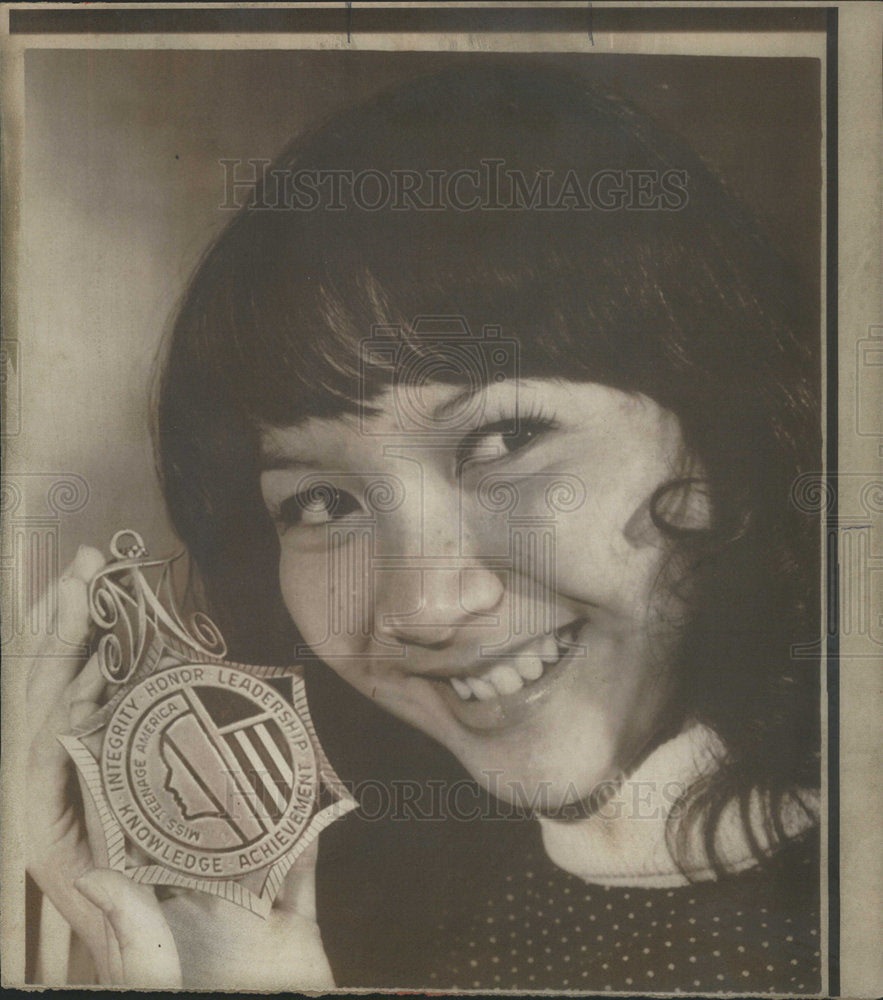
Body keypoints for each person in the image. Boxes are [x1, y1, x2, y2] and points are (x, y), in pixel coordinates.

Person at [25, 63, 821, 991]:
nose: (422, 604)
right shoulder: (414, 920)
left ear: (721, 438)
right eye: (321, 504)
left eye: (505, 439)